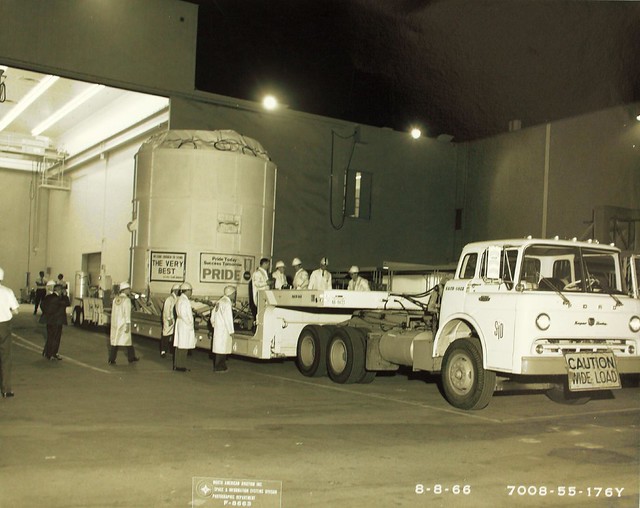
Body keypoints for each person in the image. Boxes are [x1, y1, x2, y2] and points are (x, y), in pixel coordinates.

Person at [0, 267, 20, 398]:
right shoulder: (7, 291)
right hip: (4, 326)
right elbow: (16, 310)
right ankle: (6, 389)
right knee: (6, 357)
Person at [108, 282, 139, 365]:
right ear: (125, 290)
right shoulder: (126, 300)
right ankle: (131, 357)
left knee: (115, 341)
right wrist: (128, 324)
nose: (129, 291)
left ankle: (111, 358)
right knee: (127, 341)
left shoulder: (116, 299)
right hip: (123, 323)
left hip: (115, 323)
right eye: (128, 289)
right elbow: (127, 313)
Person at [41, 283, 71, 360]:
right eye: (62, 290)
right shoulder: (59, 299)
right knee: (56, 338)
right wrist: (65, 295)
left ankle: (47, 352)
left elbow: (42, 305)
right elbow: (67, 303)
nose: (63, 291)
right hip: (57, 321)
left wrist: (46, 313)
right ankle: (53, 353)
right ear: (59, 290)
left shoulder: (48, 297)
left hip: (49, 321)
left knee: (50, 336)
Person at [210, 285, 236, 372]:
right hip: (224, 329)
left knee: (220, 347)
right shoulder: (227, 303)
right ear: (231, 294)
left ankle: (222, 366)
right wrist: (231, 331)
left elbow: (213, 314)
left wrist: (214, 324)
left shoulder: (219, 301)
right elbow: (228, 318)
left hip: (219, 328)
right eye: (234, 293)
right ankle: (219, 367)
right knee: (223, 347)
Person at [173, 282, 196, 372]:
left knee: (180, 345)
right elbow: (184, 314)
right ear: (187, 291)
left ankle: (177, 365)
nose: (191, 293)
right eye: (191, 291)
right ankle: (180, 366)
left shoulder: (179, 299)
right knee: (183, 346)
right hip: (185, 325)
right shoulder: (184, 300)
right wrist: (190, 324)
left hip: (181, 323)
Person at [160, 283, 180, 358]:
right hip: (169, 320)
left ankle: (172, 350)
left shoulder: (176, 298)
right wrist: (169, 319)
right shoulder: (169, 299)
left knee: (174, 335)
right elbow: (166, 310)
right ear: (175, 290)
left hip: (174, 319)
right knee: (166, 335)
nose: (179, 292)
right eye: (178, 290)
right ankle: (163, 351)